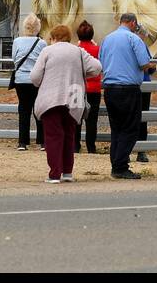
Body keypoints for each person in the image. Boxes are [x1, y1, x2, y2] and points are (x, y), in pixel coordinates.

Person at [31, 24, 102, 182]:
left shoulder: (47, 51)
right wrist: (82, 73)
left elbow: (34, 78)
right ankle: (67, 173)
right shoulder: (78, 51)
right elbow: (97, 67)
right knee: (69, 135)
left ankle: (54, 174)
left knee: (53, 136)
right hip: (73, 98)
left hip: (51, 98)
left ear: (54, 37)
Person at [99, 12, 155, 179]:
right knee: (130, 128)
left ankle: (116, 163)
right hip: (128, 88)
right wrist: (152, 63)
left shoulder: (107, 39)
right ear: (133, 23)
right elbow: (144, 63)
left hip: (109, 88)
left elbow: (101, 62)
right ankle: (120, 166)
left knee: (116, 128)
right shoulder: (134, 39)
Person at [11, 14, 47, 150]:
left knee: (24, 110)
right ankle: (42, 142)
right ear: (38, 27)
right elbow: (44, 61)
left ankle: (22, 142)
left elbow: (14, 59)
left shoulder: (17, 41)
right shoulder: (42, 43)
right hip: (37, 80)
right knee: (39, 109)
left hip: (20, 80)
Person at [74, 21, 102, 154]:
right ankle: (91, 146)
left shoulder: (75, 50)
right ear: (92, 35)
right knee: (92, 120)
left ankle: (75, 145)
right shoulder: (97, 49)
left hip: (78, 88)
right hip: (94, 88)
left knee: (76, 117)